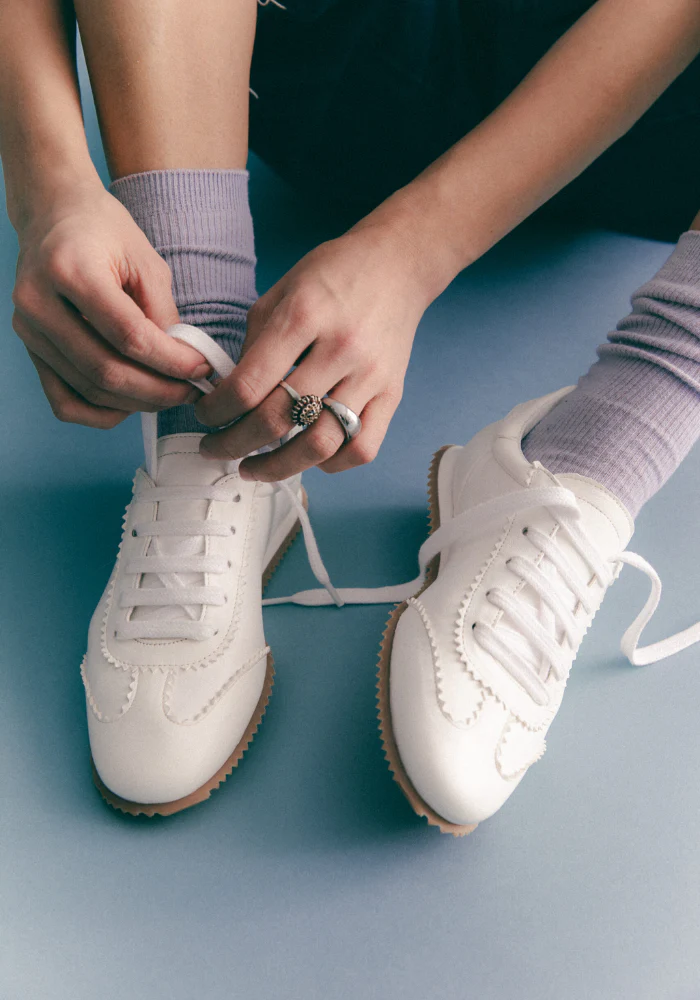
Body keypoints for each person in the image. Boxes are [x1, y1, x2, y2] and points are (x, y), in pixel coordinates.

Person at [1, 0, 699, 831]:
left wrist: (416, 247)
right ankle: (213, 433)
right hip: (338, 68)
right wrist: (47, 186)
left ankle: (593, 459)